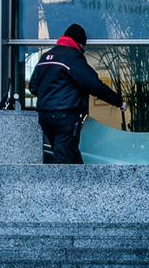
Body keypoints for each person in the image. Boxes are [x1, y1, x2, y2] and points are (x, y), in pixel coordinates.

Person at [29, 22, 124, 164]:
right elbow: (94, 85)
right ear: (80, 43)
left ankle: (83, 183)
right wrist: (118, 101)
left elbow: (33, 86)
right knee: (65, 158)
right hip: (66, 115)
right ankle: (63, 185)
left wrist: (50, 96)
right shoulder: (73, 57)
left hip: (45, 115)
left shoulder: (46, 57)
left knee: (67, 152)